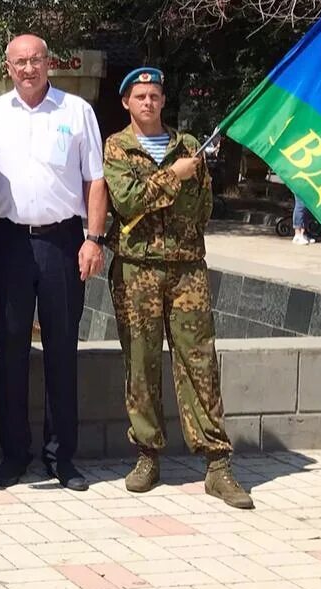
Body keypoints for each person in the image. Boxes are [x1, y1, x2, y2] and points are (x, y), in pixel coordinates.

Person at [102, 67, 254, 509]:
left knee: (199, 362)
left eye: (154, 95)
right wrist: (175, 178)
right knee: (141, 361)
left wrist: (177, 181)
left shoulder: (189, 147)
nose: (148, 103)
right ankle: (147, 453)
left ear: (163, 100)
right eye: (140, 96)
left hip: (187, 267)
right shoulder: (117, 147)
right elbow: (127, 200)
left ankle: (217, 462)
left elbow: (202, 206)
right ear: (127, 103)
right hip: (137, 268)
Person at [0, 34, 106, 492]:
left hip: (62, 242)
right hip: (8, 240)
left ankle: (60, 456)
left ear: (49, 63)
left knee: (61, 348)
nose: (28, 69)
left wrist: (93, 239)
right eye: (19, 62)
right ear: (7, 67)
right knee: (9, 347)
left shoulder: (77, 111)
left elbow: (95, 180)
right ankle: (14, 454)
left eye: (36, 60)